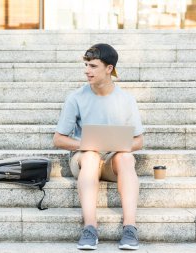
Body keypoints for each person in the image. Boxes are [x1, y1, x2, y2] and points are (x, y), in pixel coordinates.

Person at [53, 43, 144, 250]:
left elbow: (139, 141)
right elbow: (58, 139)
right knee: (91, 155)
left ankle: (130, 228)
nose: (87, 70)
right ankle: (90, 228)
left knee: (126, 158)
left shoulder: (126, 100)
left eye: (93, 66)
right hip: (84, 160)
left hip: (113, 161)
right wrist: (86, 145)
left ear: (109, 69)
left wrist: (120, 146)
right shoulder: (76, 97)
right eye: (86, 65)